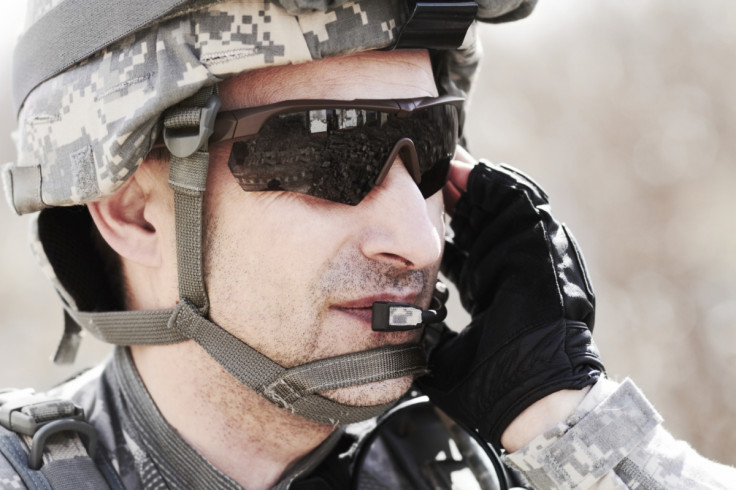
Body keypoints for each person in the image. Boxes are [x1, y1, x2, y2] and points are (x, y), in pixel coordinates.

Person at [0, 0, 733, 489]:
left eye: (431, 153)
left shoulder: (497, 466)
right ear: (133, 210)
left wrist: (563, 421)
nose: (419, 241)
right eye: (332, 154)